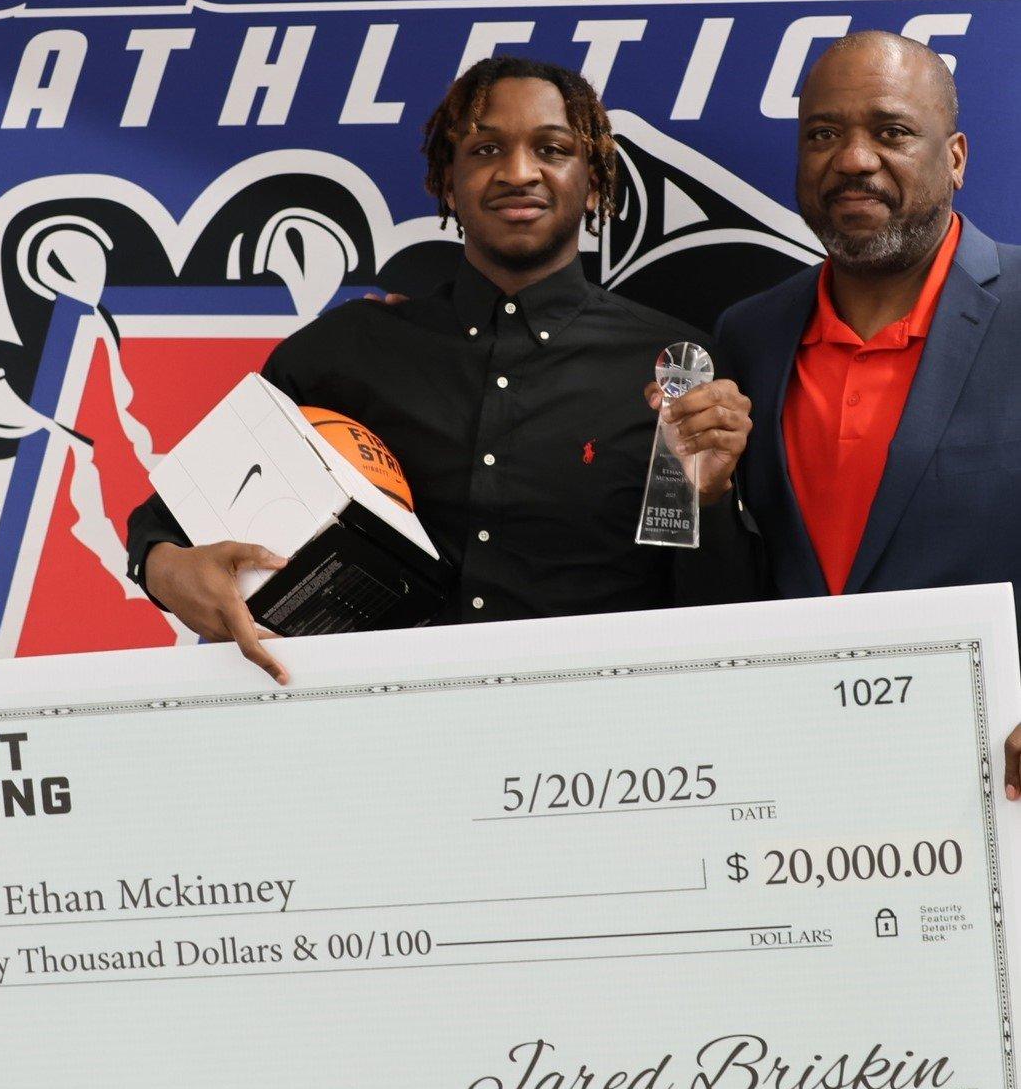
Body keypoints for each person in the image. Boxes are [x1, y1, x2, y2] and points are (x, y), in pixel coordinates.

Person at [127, 56, 756, 685]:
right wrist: (167, 569)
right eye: (486, 149)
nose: (518, 172)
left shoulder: (675, 370)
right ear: (449, 185)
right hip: (372, 724)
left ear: (593, 184)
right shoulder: (340, 353)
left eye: (552, 149)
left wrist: (710, 499)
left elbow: (722, 620)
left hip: (592, 730)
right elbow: (166, 523)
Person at [665, 30, 1021, 794]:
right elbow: (740, 588)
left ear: (956, 158)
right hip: (802, 776)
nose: (854, 159)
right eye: (824, 135)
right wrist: (706, 499)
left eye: (891, 132)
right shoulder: (749, 334)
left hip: (998, 778)